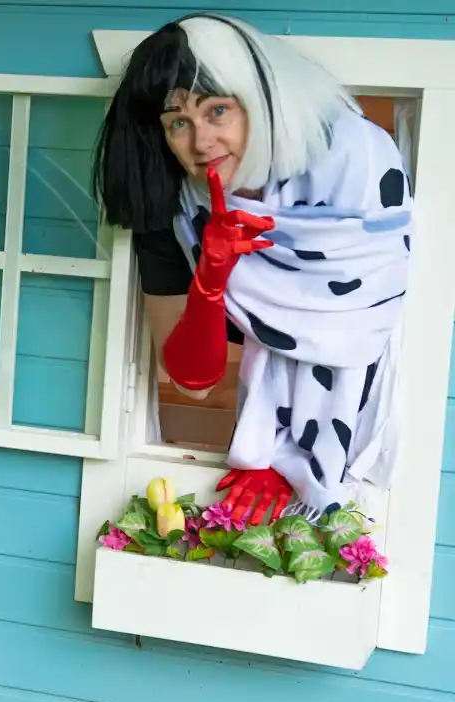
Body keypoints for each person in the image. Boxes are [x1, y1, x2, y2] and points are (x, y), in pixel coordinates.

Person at [92, 14, 412, 526]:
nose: (200, 141)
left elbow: (358, 329)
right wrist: (211, 280)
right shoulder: (179, 211)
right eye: (178, 122)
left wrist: (285, 455)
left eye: (217, 110)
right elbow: (192, 383)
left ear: (260, 104)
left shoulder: (358, 158)